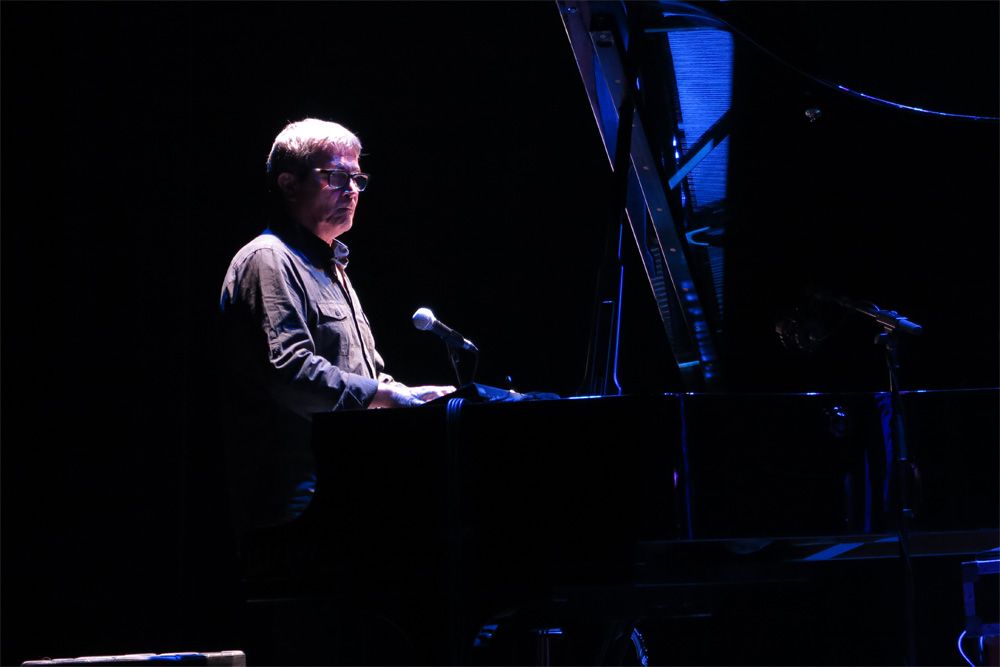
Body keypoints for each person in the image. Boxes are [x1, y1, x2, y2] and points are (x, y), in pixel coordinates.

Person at [219, 118, 454, 535]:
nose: (351, 190)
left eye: (357, 179)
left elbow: (360, 374)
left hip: (346, 486)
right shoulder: (268, 259)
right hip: (297, 498)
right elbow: (289, 370)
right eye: (335, 176)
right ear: (290, 184)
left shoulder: (333, 267)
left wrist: (408, 394)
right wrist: (382, 395)